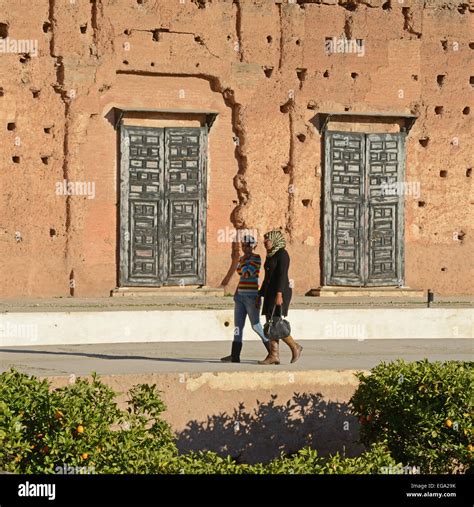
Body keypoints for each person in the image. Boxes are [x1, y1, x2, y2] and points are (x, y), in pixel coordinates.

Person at [221, 235, 270, 363]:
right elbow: (241, 273)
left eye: (248, 246)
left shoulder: (256, 258)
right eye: (243, 246)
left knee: (256, 325)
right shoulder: (243, 259)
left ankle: (272, 351)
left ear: (254, 246)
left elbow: (247, 273)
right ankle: (235, 355)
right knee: (238, 326)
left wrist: (242, 263)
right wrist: (236, 295)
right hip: (240, 296)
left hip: (251, 296)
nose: (245, 248)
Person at [258, 229, 303, 365]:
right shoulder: (270, 255)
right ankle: (274, 356)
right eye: (264, 240)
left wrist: (279, 294)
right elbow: (267, 277)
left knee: (276, 321)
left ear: (275, 240)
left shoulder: (283, 254)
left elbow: (282, 276)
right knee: (270, 322)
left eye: (267, 240)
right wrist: (260, 294)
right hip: (270, 292)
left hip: (280, 291)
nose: (265, 242)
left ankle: (295, 346)